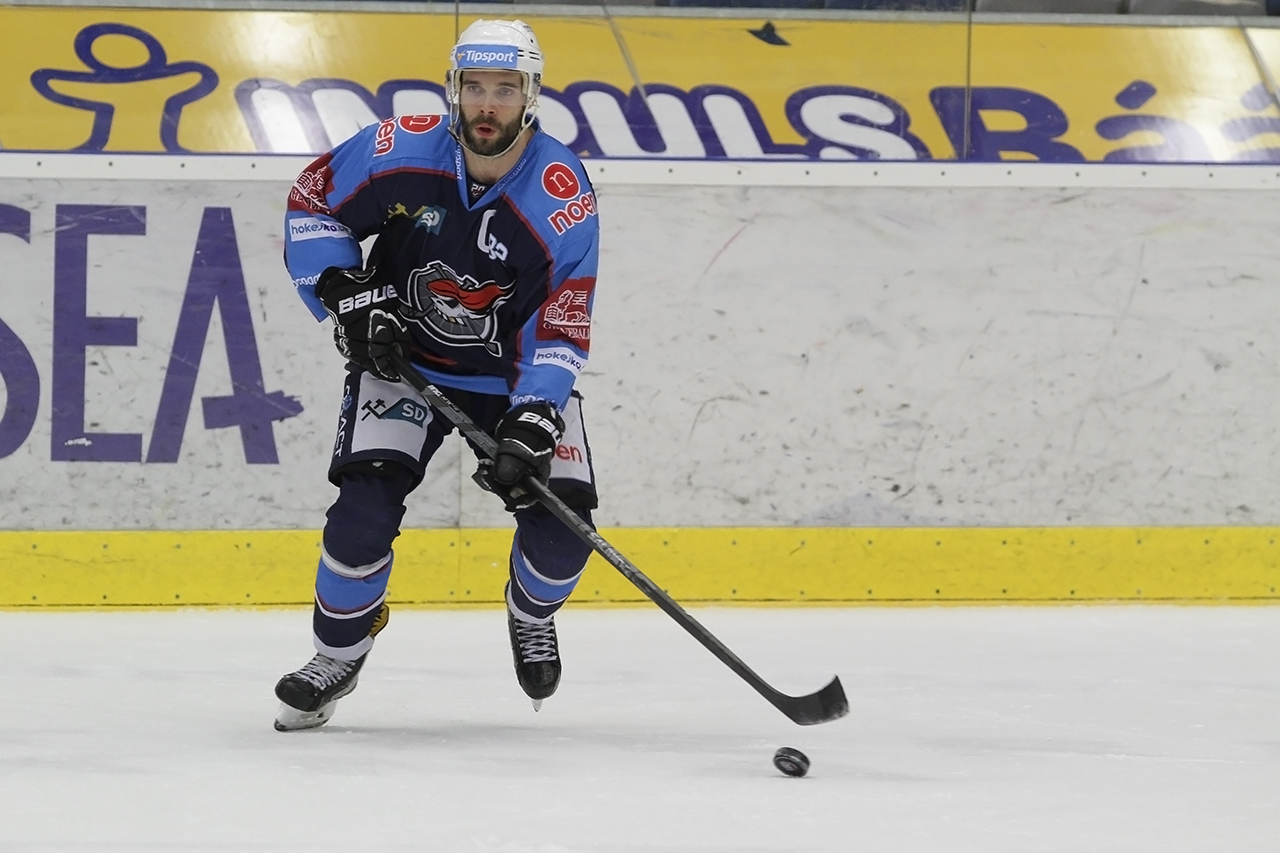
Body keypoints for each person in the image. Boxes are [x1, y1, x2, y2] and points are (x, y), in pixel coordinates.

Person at [273, 19, 600, 732]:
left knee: (563, 531)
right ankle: (337, 655)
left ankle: (530, 613)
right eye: (474, 87)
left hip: (509, 379)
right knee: (360, 520)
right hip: (403, 363)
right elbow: (313, 201)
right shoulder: (398, 148)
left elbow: (560, 321)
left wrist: (535, 414)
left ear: (532, 95)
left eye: (505, 90)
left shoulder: (561, 192)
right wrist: (347, 289)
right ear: (453, 89)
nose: (487, 105)